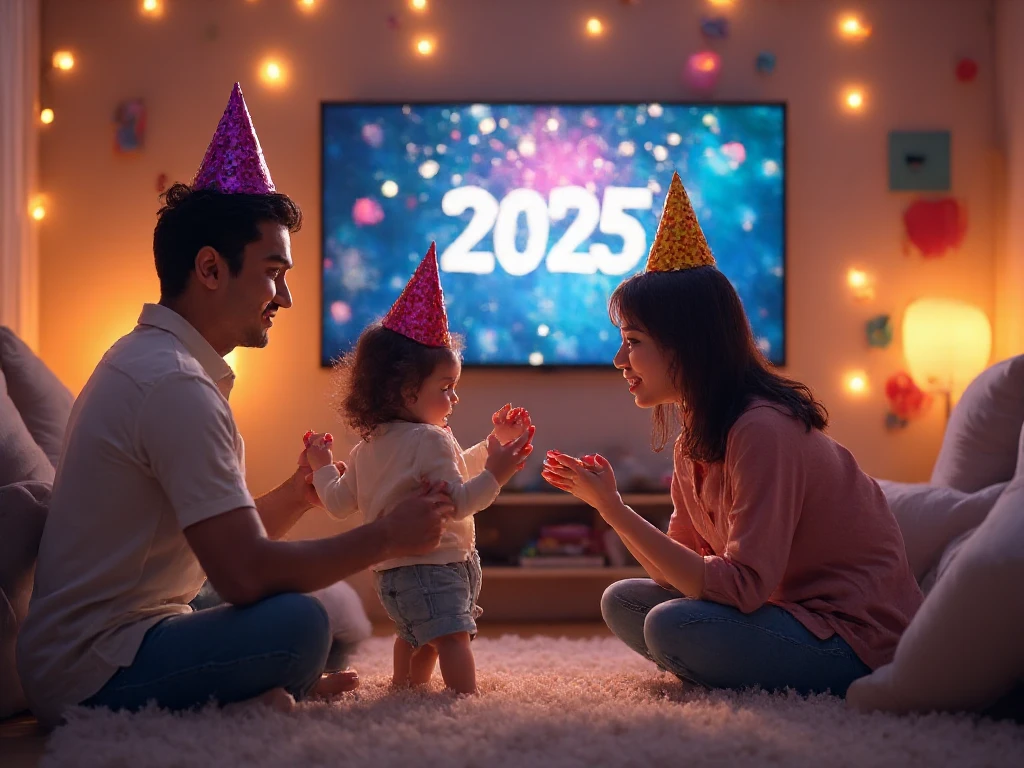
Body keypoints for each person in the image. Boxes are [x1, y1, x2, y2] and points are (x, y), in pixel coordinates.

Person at [16, 83, 456, 728]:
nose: (285, 297)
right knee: (301, 622)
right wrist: (386, 534)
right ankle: (251, 701)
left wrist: (295, 497)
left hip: (118, 636)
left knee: (310, 614)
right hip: (93, 670)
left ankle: (252, 698)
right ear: (211, 269)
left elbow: (208, 550)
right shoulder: (174, 386)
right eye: (274, 272)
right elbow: (244, 573)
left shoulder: (153, 361)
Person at [542, 173, 923, 697]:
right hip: (778, 612)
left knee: (670, 626)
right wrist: (608, 505)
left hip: (849, 637)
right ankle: (722, 665)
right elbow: (678, 572)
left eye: (632, 342)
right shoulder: (694, 438)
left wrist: (615, 511)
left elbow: (742, 587)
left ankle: (731, 669)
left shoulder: (763, 430)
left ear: (687, 344)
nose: (618, 360)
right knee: (627, 601)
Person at [304, 243, 535, 695]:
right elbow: (460, 500)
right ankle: (463, 698)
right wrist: (498, 473)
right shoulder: (428, 439)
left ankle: (403, 690)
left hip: (391, 575)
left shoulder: (368, 448)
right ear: (409, 391)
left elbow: (335, 503)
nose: (454, 399)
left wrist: (319, 466)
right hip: (438, 565)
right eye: (446, 388)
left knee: (413, 635)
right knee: (449, 637)